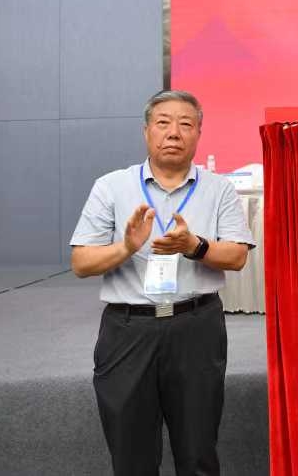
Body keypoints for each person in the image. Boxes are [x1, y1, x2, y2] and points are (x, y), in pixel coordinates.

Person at [70, 90, 255, 476]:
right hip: (128, 331)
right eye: (163, 123)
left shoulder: (218, 188)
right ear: (146, 131)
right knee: (131, 455)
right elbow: (81, 263)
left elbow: (237, 256)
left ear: (198, 133)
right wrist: (126, 247)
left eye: (186, 124)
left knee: (198, 449)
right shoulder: (111, 186)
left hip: (196, 329)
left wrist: (194, 246)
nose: (174, 132)